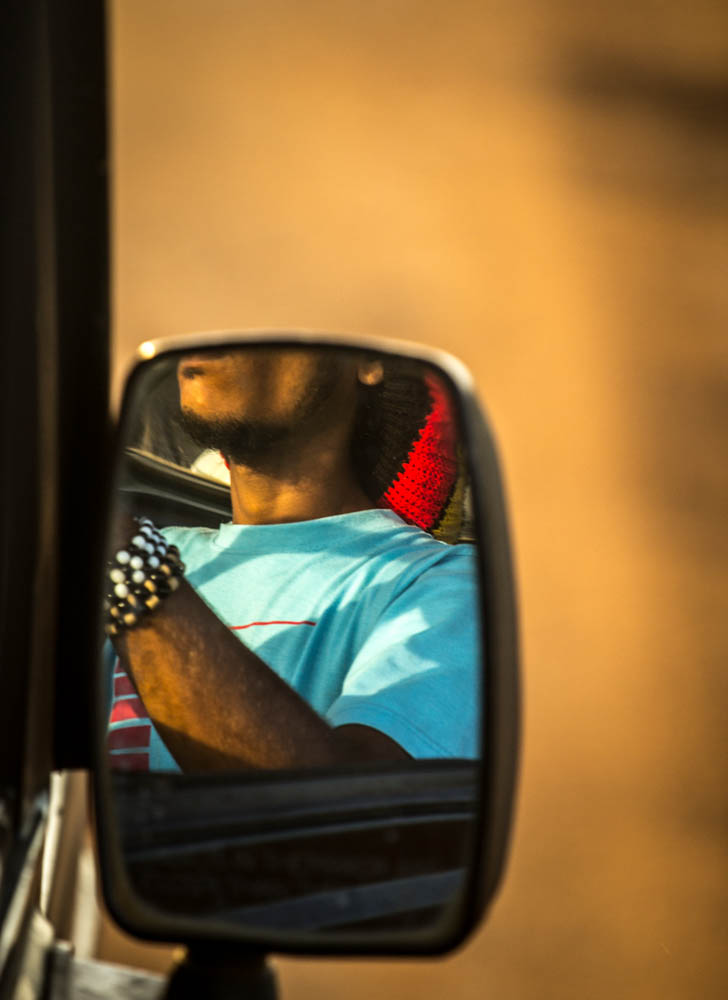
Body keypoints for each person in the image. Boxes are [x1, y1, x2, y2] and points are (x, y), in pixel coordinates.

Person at [106, 347, 479, 772]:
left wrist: (130, 569)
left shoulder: (443, 586)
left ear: (368, 360)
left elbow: (350, 818)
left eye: (258, 307)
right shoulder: (154, 547)